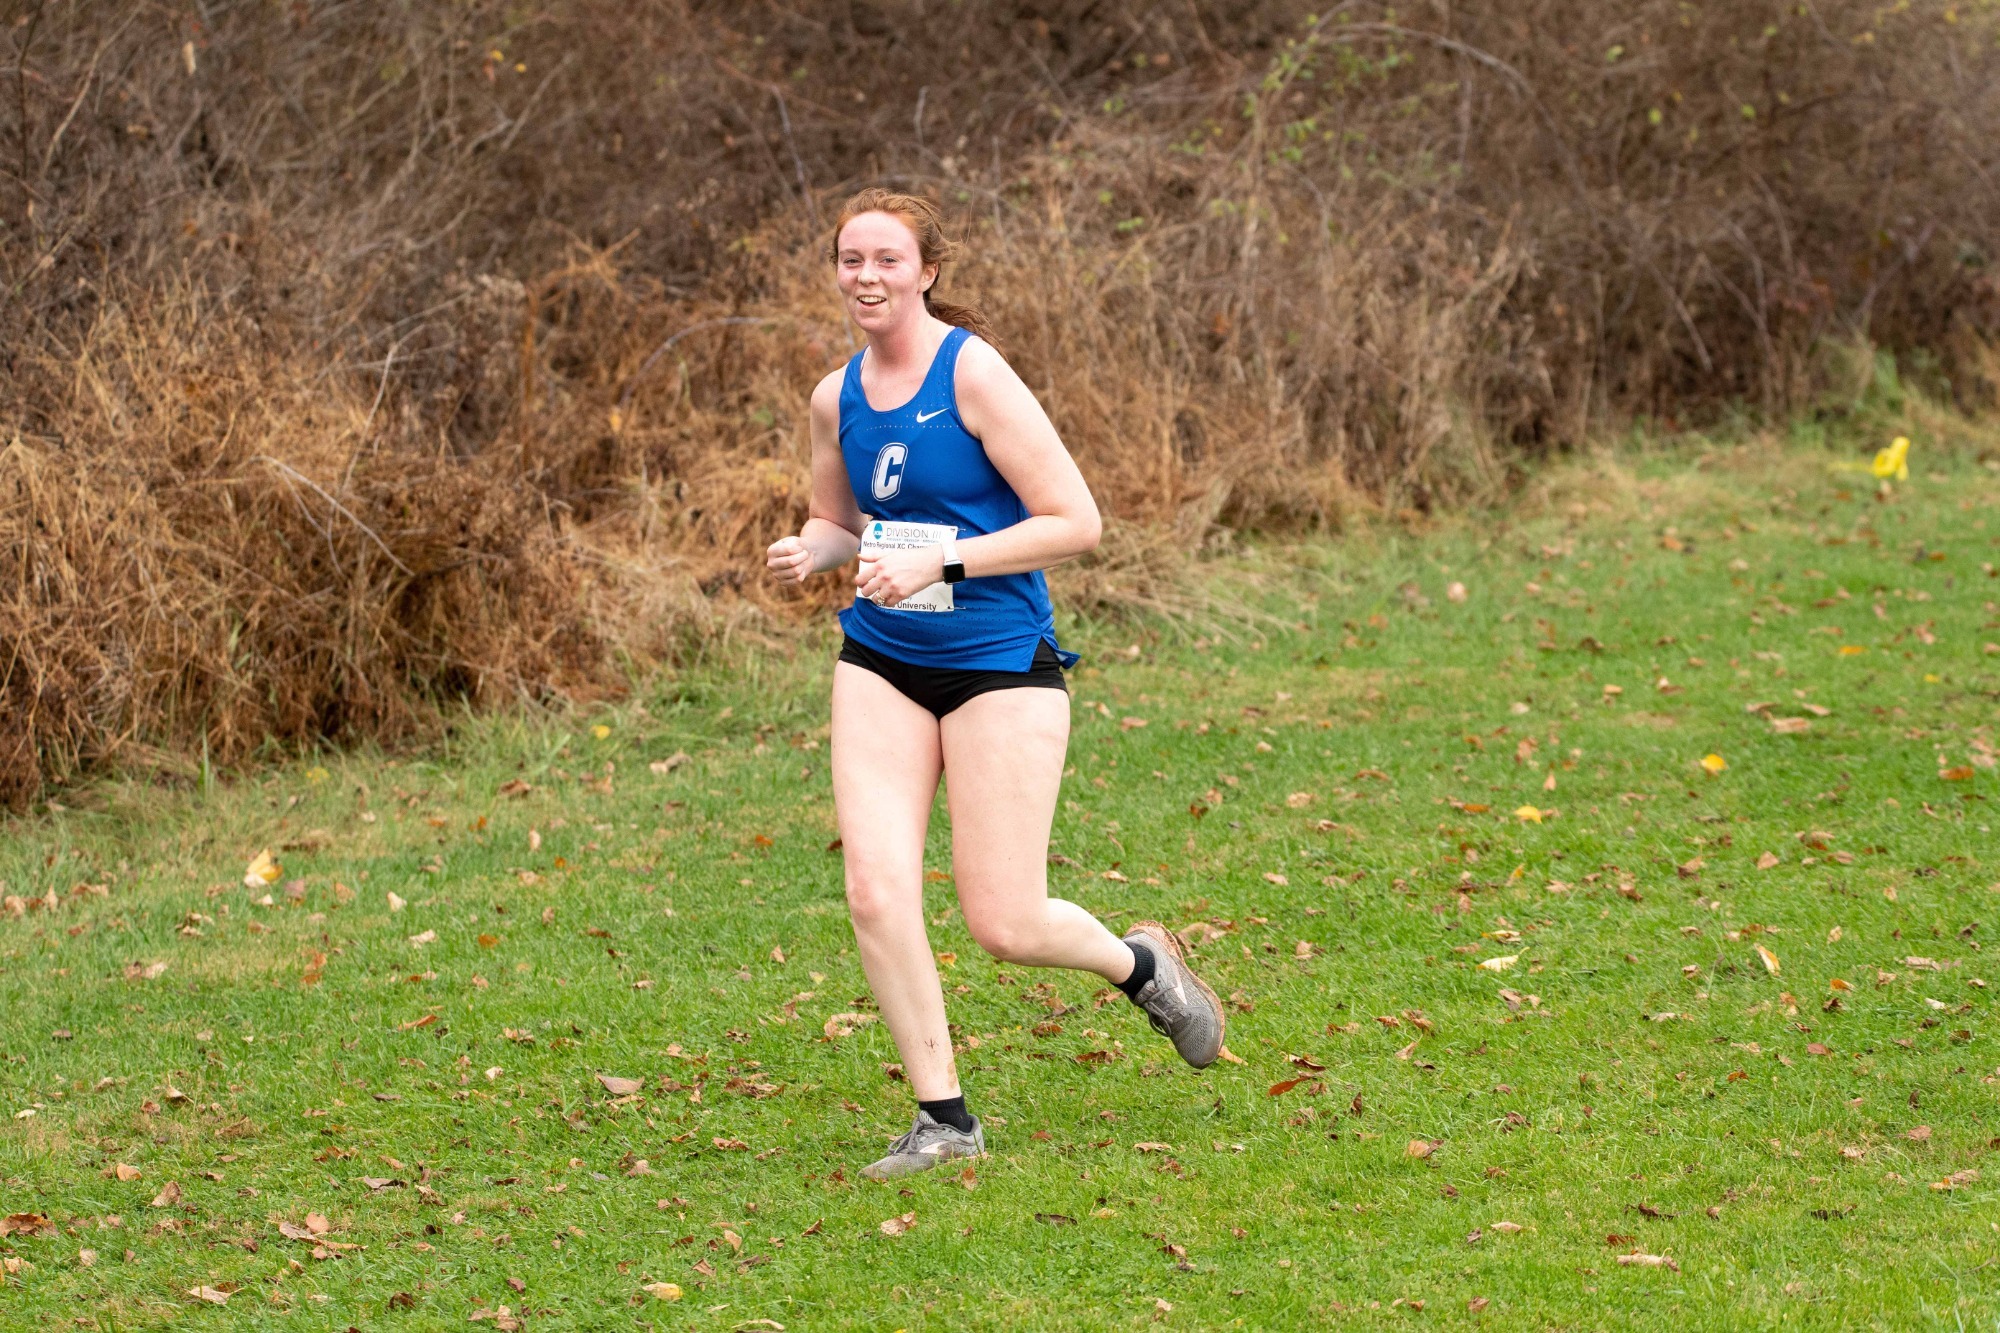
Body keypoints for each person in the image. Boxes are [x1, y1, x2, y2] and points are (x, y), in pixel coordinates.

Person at [765, 189, 1227, 1181]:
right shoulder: (830, 397)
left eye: (888, 259)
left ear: (927, 271)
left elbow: (1074, 519)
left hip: (998, 663)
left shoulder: (971, 374)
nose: (867, 277)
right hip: (881, 657)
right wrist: (814, 550)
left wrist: (947, 565)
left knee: (1003, 921)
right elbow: (841, 522)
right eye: (850, 260)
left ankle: (1138, 965)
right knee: (874, 888)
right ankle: (944, 1119)